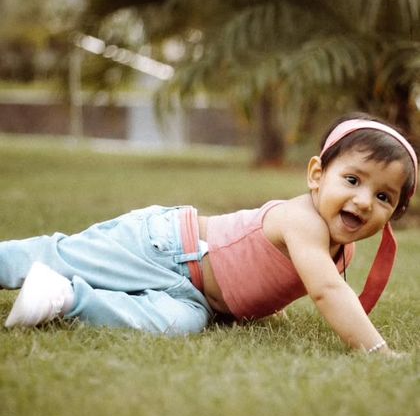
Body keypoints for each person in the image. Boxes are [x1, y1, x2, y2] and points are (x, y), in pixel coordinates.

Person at [2, 113, 418, 356]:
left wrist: (267, 305)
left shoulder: (342, 248)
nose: (363, 201)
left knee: (175, 325)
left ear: (394, 212)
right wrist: (377, 351)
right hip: (163, 245)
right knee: (64, 254)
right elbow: (326, 290)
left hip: (197, 297)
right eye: (352, 179)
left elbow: (280, 276)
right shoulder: (302, 221)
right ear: (316, 175)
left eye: (383, 195)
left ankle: (63, 297)